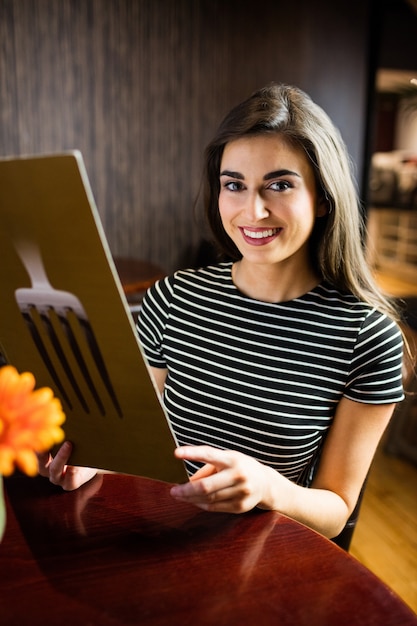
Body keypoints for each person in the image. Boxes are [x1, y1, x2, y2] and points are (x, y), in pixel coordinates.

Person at [39, 83, 404, 541]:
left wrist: (268, 488)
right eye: (234, 185)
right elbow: (136, 439)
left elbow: (335, 511)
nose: (253, 210)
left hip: (267, 556)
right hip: (157, 530)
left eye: (280, 185)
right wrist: (92, 463)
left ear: (324, 198)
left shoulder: (367, 338)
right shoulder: (173, 297)